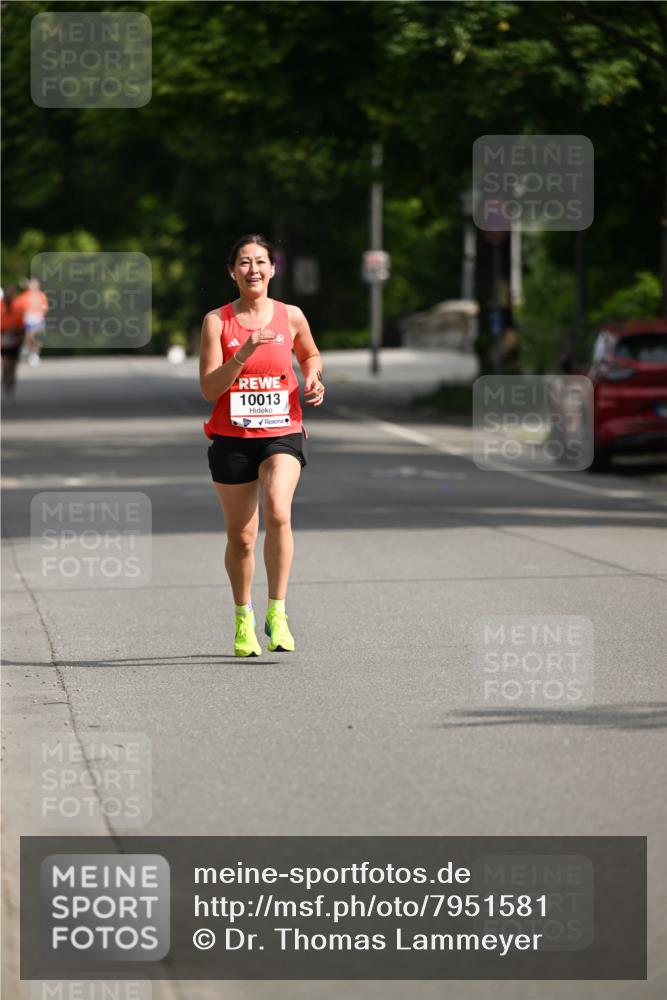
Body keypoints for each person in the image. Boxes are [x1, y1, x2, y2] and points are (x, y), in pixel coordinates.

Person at [199, 234, 325, 657]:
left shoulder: (290, 316)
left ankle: (279, 612)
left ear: (273, 269)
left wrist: (312, 376)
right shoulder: (218, 322)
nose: (253, 269)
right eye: (243, 263)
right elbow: (208, 387)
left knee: (277, 510)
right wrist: (242, 354)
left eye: (260, 262)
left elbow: (310, 355)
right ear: (232, 272)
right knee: (242, 537)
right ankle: (243, 617)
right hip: (232, 439)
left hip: (282, 431)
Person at [12, 277, 48, 365]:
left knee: (36, 337)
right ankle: (27, 348)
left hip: (39, 318)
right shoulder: (25, 296)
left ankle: (34, 354)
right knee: (29, 337)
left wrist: (43, 311)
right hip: (28, 319)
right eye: (32, 284)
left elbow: (45, 306)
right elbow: (18, 307)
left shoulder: (41, 295)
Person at [1, 286, 25, 398]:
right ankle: (5, 383)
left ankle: (11, 386)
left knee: (13, 366)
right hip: (3, 340)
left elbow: (22, 325)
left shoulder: (17, 307)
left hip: (15, 341)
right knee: (6, 365)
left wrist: (17, 333)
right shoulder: (0, 307)